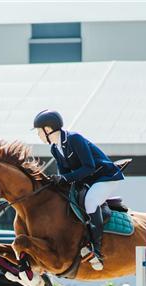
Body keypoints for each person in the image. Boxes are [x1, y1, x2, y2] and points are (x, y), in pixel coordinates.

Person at [33, 109, 124, 270]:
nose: (38, 135)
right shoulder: (55, 148)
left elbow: (89, 167)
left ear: (48, 130)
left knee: (90, 202)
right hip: (87, 181)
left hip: (105, 177)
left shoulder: (74, 139)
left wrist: (65, 178)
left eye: (39, 131)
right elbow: (65, 173)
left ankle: (97, 250)